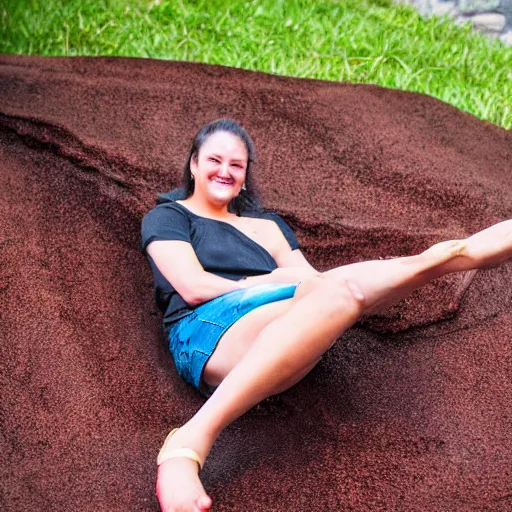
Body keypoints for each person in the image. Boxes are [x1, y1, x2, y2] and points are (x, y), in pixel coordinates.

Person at [141, 118, 512, 512]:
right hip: (208, 324)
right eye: (215, 159)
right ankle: (188, 442)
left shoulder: (267, 226)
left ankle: (454, 256)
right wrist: (268, 280)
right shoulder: (168, 216)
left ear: (246, 177)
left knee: (368, 281)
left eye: (237, 164)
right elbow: (193, 286)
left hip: (287, 310)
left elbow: (308, 279)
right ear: (194, 164)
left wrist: (284, 281)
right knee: (337, 290)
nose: (225, 171)